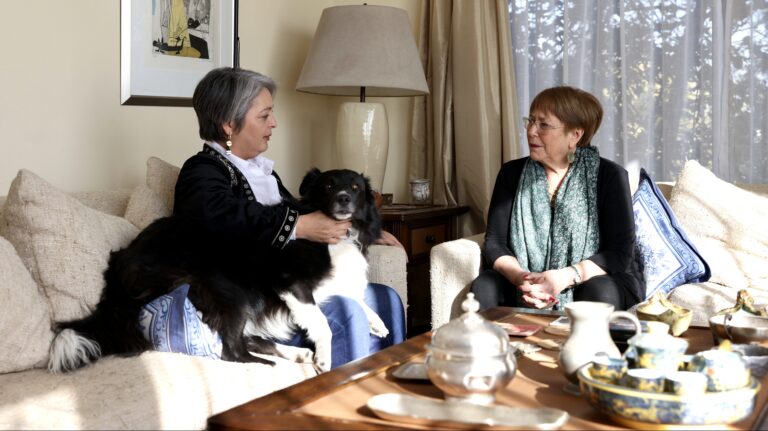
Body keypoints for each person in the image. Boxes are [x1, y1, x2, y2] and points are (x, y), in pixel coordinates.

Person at [173, 67, 406, 369]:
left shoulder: (261, 172)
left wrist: (364, 230)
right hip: (258, 303)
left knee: (387, 298)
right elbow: (217, 216)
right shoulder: (202, 170)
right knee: (347, 310)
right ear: (229, 124)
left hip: (293, 288)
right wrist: (297, 226)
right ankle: (345, 407)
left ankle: (393, 387)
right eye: (264, 115)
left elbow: (303, 211)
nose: (274, 122)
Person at [471, 86, 643, 312]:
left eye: (543, 124)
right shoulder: (511, 174)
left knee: (601, 291)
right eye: (531, 121)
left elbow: (619, 253)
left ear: (575, 135)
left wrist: (565, 277)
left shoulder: (610, 176)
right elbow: (495, 243)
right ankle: (496, 347)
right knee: (484, 285)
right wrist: (522, 278)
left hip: (590, 277)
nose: (532, 131)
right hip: (526, 278)